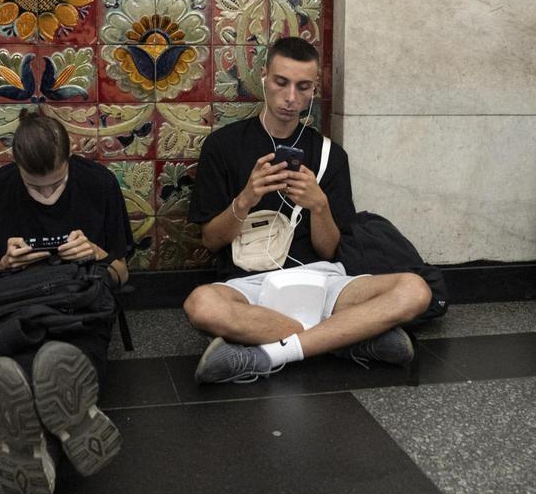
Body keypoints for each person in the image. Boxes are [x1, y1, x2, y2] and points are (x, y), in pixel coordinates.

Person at [184, 37, 430, 384]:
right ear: (265, 77)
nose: (290, 98)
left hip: (324, 280)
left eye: (303, 88)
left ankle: (267, 354)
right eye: (282, 83)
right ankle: (344, 339)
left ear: (314, 89)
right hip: (251, 286)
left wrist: (319, 205)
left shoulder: (330, 154)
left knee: (414, 290)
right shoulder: (223, 146)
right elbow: (211, 241)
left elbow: (330, 250)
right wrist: (245, 199)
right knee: (201, 305)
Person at [0, 110, 131, 494]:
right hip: (16, 306)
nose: (46, 196)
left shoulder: (99, 183)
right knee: (23, 355)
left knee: (68, 349)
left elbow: (121, 272)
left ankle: (32, 441)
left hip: (77, 307)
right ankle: (65, 417)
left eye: (56, 184)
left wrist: (96, 252)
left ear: (69, 161)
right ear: (17, 166)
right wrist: (3, 265)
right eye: (34, 187)